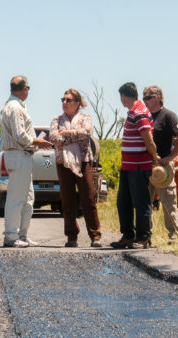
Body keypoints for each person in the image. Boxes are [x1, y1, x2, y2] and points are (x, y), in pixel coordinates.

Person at [0, 75, 53, 248]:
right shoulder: (14, 107)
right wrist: (38, 141)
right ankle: (10, 235)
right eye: (28, 88)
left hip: (24, 155)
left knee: (28, 198)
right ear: (24, 89)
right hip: (18, 154)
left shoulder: (17, 106)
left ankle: (22, 234)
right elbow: (19, 134)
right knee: (16, 197)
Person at [49, 89, 102, 248]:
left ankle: (95, 236)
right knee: (67, 199)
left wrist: (66, 134)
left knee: (88, 197)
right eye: (63, 99)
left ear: (77, 103)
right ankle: (71, 236)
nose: (64, 103)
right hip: (63, 162)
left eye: (68, 100)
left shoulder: (86, 118)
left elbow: (86, 133)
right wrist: (72, 136)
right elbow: (53, 137)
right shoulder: (56, 119)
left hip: (84, 161)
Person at [111, 82, 158, 249]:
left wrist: (154, 157)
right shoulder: (132, 112)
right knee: (123, 201)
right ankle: (128, 235)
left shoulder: (139, 112)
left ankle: (143, 237)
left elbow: (148, 139)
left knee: (141, 201)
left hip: (139, 166)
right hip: (128, 166)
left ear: (124, 96)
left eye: (121, 97)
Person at [142, 86, 178, 243]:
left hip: (163, 167)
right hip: (146, 165)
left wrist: (171, 157)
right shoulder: (144, 116)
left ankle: (174, 234)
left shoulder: (168, 115)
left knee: (168, 200)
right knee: (144, 201)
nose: (145, 100)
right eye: (144, 97)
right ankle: (145, 235)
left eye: (148, 97)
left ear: (158, 97)